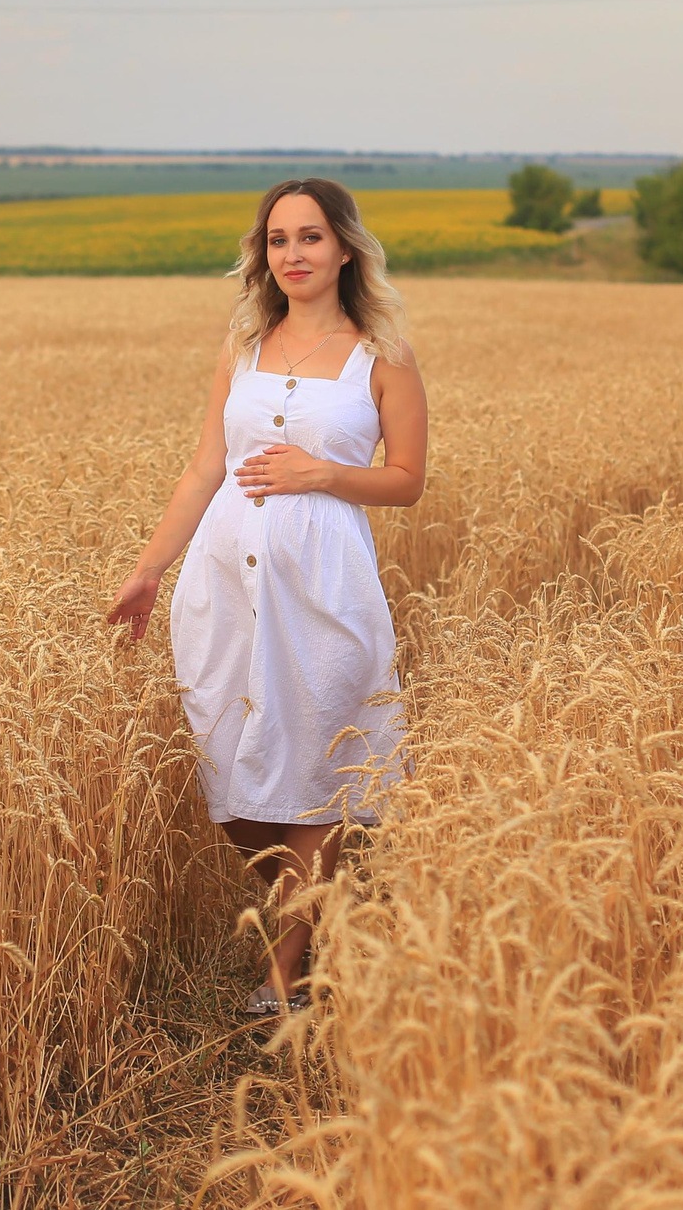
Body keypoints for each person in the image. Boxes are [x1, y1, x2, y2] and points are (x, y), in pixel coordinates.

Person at [108, 178, 427, 1017]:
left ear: (346, 248)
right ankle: (318, 905)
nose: (293, 254)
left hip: (325, 586)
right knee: (229, 764)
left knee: (315, 765)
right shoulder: (243, 348)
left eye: (311, 237)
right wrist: (149, 569)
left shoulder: (380, 356)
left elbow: (408, 480)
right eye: (278, 239)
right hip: (222, 582)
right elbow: (204, 469)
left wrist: (321, 472)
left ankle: (288, 972)